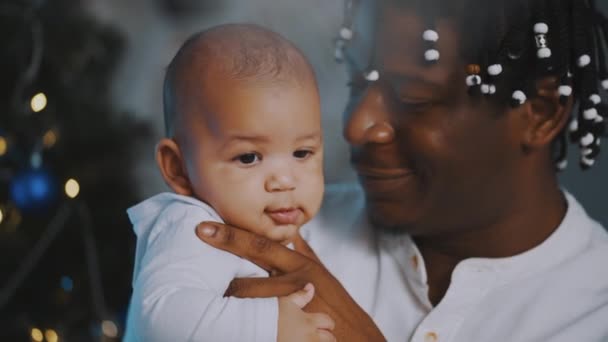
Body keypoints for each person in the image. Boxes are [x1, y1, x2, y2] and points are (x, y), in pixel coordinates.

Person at [194, 0, 608, 341]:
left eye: (413, 97)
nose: (357, 126)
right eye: (357, 83)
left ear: (540, 113)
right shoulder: (263, 228)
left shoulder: (593, 319)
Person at [123, 24, 342, 342]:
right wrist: (271, 325)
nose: (284, 181)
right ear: (178, 168)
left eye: (302, 152)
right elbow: (157, 317)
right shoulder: (192, 226)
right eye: (249, 158)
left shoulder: (299, 233)